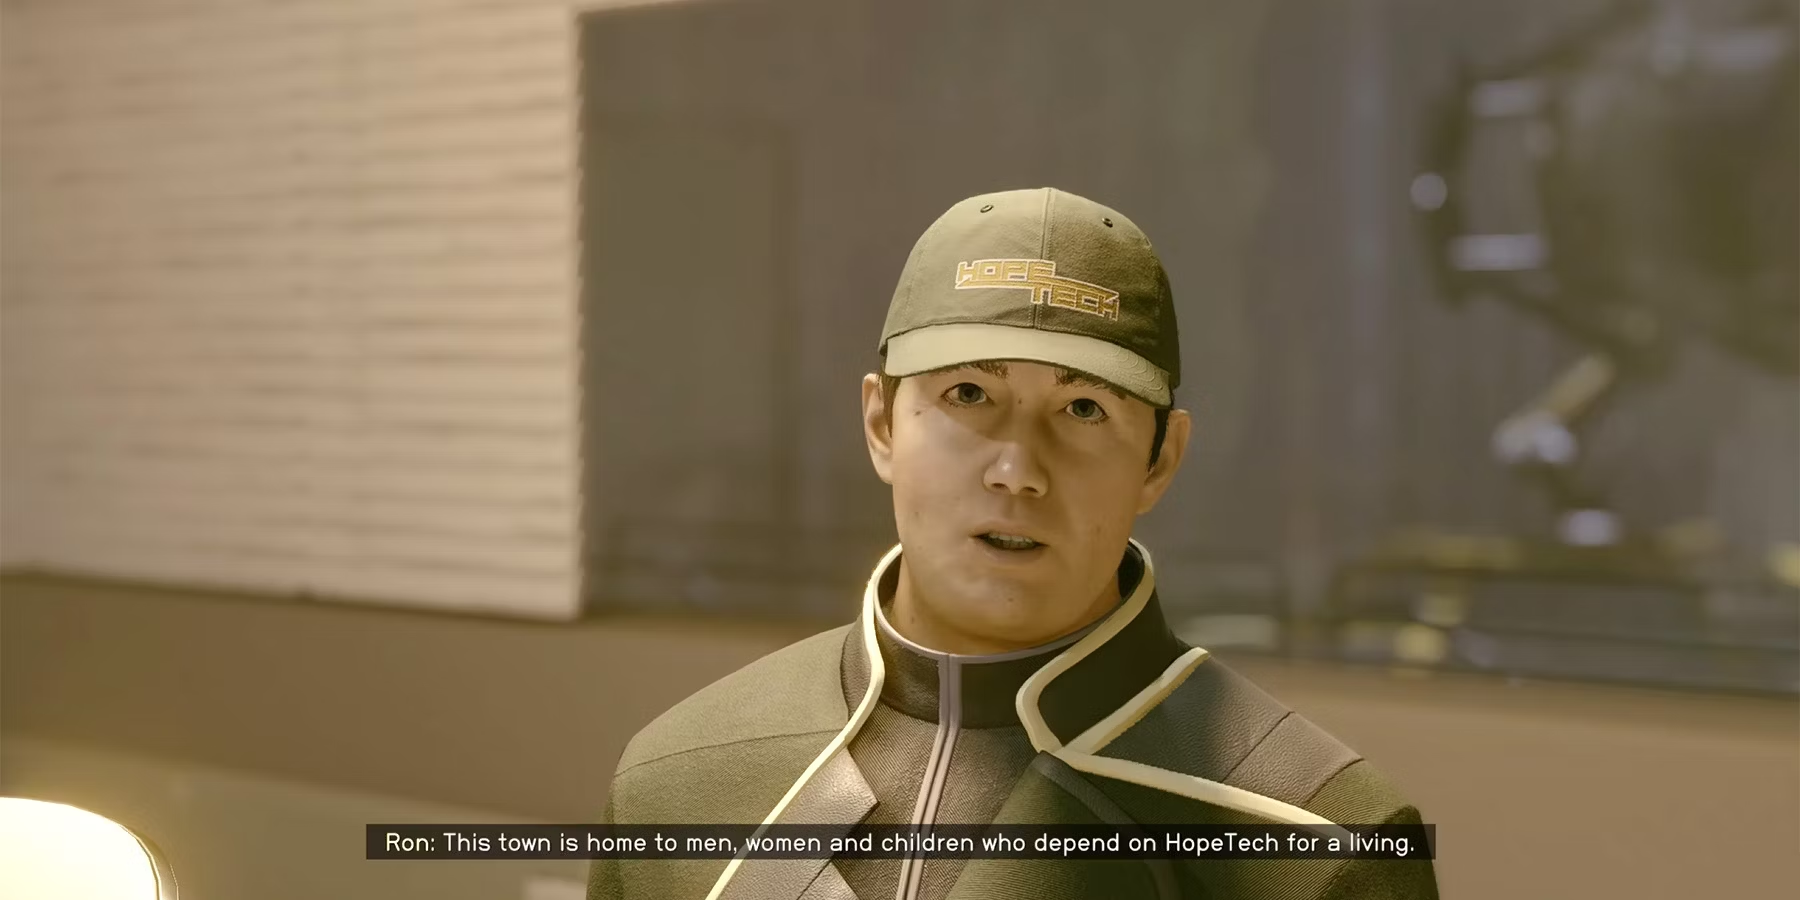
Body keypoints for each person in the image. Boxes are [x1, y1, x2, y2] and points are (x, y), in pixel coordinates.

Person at [589, 187, 1440, 900]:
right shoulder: (680, 779)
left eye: (1083, 409)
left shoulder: (1321, 843)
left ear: (1159, 459)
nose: (1018, 469)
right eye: (968, 394)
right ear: (881, 423)